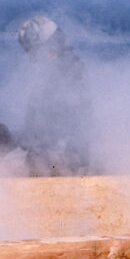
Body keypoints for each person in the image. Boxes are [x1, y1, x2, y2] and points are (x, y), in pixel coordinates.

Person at [16, 15, 92, 176]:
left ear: (52, 48)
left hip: (65, 162)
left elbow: (67, 131)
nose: (34, 59)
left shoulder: (70, 75)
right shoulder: (54, 74)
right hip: (56, 156)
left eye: (34, 52)